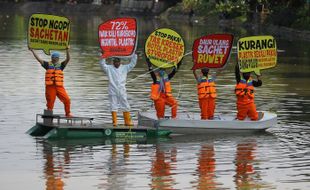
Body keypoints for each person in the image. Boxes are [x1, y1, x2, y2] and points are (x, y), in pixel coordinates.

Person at [29, 47, 72, 117]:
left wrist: (67, 50)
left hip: (59, 87)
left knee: (67, 100)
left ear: (58, 58)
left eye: (56, 57)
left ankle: (68, 114)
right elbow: (39, 59)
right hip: (50, 87)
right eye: (53, 57)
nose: (54, 58)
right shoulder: (47, 65)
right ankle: (48, 117)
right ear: (52, 58)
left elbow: (68, 59)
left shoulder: (61, 65)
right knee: (50, 103)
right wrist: (32, 51)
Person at [99, 52, 137, 126]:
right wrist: (102, 55)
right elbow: (102, 64)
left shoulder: (125, 67)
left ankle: (127, 122)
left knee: (125, 104)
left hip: (122, 90)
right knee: (113, 105)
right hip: (112, 90)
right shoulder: (109, 68)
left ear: (120, 62)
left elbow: (132, 64)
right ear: (113, 62)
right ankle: (115, 122)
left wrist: (134, 55)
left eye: (117, 62)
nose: (116, 63)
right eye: (115, 62)